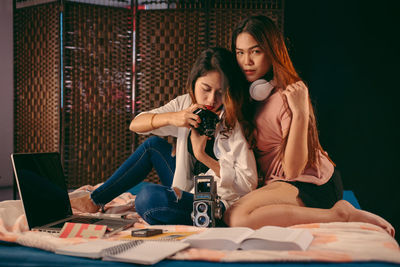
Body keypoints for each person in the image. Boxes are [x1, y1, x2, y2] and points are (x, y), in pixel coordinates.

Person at [223, 15, 395, 237]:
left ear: (272, 51)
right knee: (232, 214)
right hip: (279, 183)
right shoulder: (250, 94)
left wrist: (301, 113)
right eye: (240, 52)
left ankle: (341, 215)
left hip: (311, 184)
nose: (247, 61)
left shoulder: (288, 96)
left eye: (255, 51)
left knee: (237, 217)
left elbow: (294, 170)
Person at [71, 47, 258, 225]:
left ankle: (198, 217)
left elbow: (247, 183)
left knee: (147, 198)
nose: (211, 100)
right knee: (153, 145)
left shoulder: (233, 117)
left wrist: (203, 156)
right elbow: (136, 124)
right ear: (194, 83)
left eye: (220, 92)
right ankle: (95, 200)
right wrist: (174, 118)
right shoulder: (185, 103)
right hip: (185, 186)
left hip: (213, 199)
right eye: (206, 89)